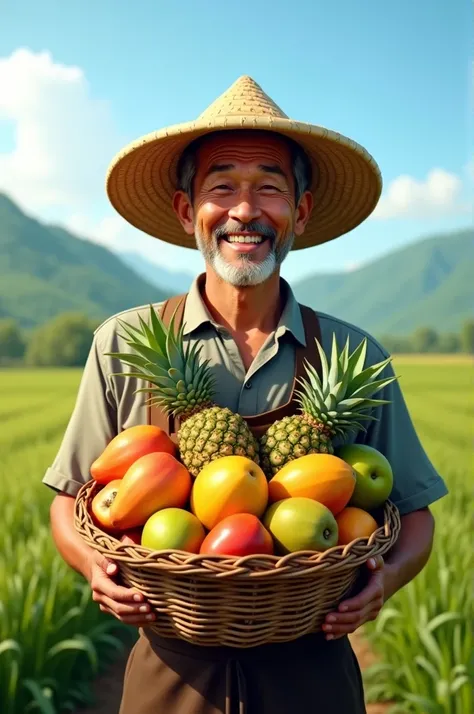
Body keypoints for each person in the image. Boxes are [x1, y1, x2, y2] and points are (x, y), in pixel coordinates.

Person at [44, 76, 448, 713]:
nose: (244, 209)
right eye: (221, 185)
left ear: (301, 212)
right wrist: (93, 568)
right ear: (187, 211)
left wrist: (387, 580)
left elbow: (416, 515)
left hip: (313, 676)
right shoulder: (123, 342)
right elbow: (70, 502)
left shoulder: (354, 354)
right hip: (170, 676)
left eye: (269, 186)